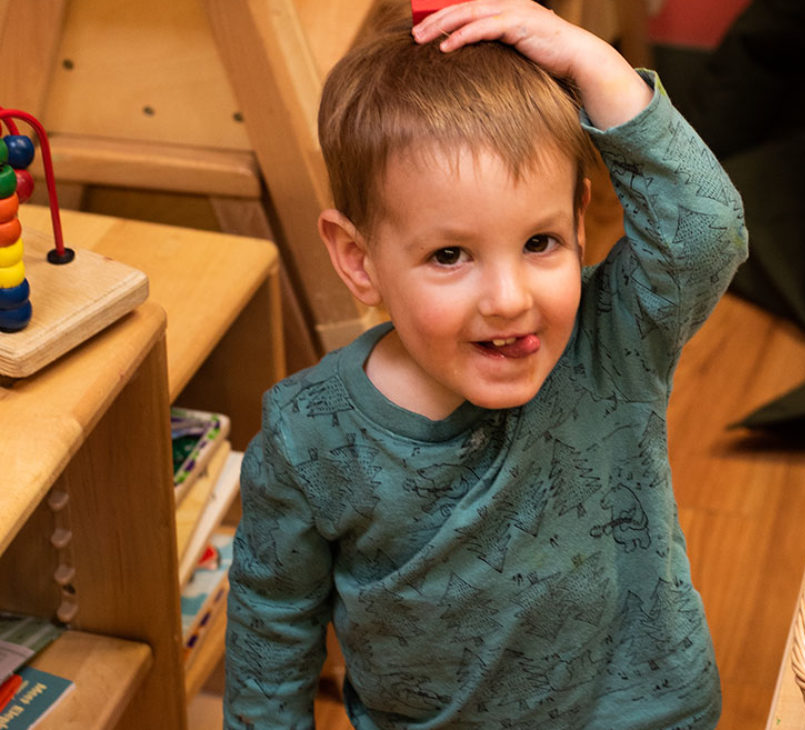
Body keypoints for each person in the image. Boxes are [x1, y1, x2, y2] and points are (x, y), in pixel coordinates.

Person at [222, 1, 748, 727]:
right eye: (449, 255)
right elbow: (271, 632)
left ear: (577, 222)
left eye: (540, 243)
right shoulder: (306, 434)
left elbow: (705, 232)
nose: (509, 300)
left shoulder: (613, 337)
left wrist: (586, 56)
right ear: (358, 259)